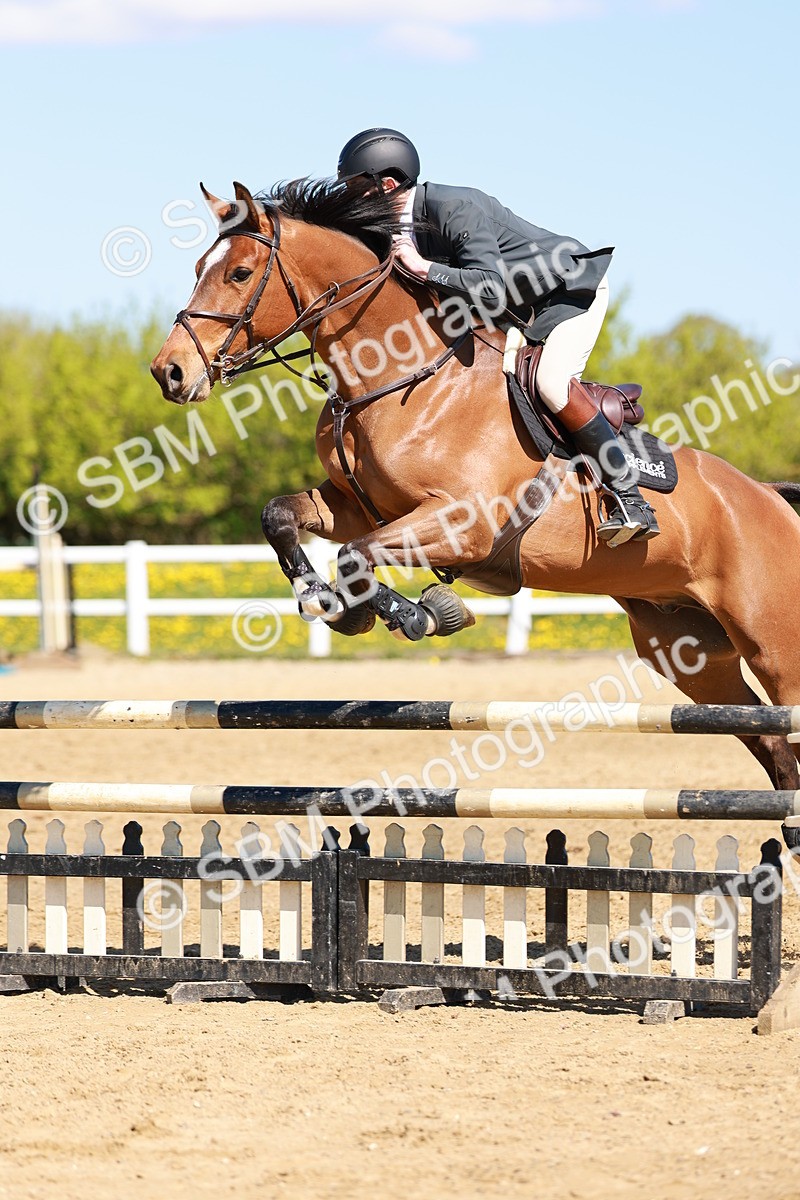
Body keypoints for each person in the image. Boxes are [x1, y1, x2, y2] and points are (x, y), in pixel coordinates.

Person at [336, 127, 660, 546]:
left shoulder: (454, 207)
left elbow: (488, 287)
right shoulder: (391, 228)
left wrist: (423, 268)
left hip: (568, 290)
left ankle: (630, 498)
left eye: (355, 188)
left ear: (388, 185)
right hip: (514, 309)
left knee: (550, 383)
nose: (349, 198)